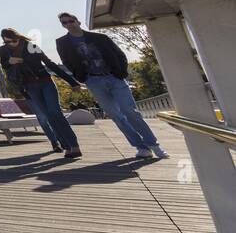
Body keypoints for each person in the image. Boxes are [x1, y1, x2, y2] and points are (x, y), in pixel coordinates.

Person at [54, 13, 168, 159]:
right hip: (93, 81)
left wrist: (121, 73)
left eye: (71, 21)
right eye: (65, 23)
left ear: (78, 21)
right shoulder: (62, 42)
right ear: (63, 25)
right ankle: (141, 147)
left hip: (114, 78)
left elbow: (119, 54)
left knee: (131, 112)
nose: (69, 24)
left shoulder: (100, 38)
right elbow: (67, 61)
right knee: (116, 116)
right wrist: (80, 76)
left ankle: (154, 146)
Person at [0, 28, 82, 158]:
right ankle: (66, 146)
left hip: (45, 82)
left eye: (13, 41)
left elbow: (49, 63)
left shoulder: (31, 46)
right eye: (7, 42)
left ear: (18, 38)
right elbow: (4, 65)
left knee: (56, 113)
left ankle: (74, 145)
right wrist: (9, 62)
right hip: (29, 86)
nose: (10, 44)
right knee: (48, 116)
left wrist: (72, 81)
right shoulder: (4, 50)